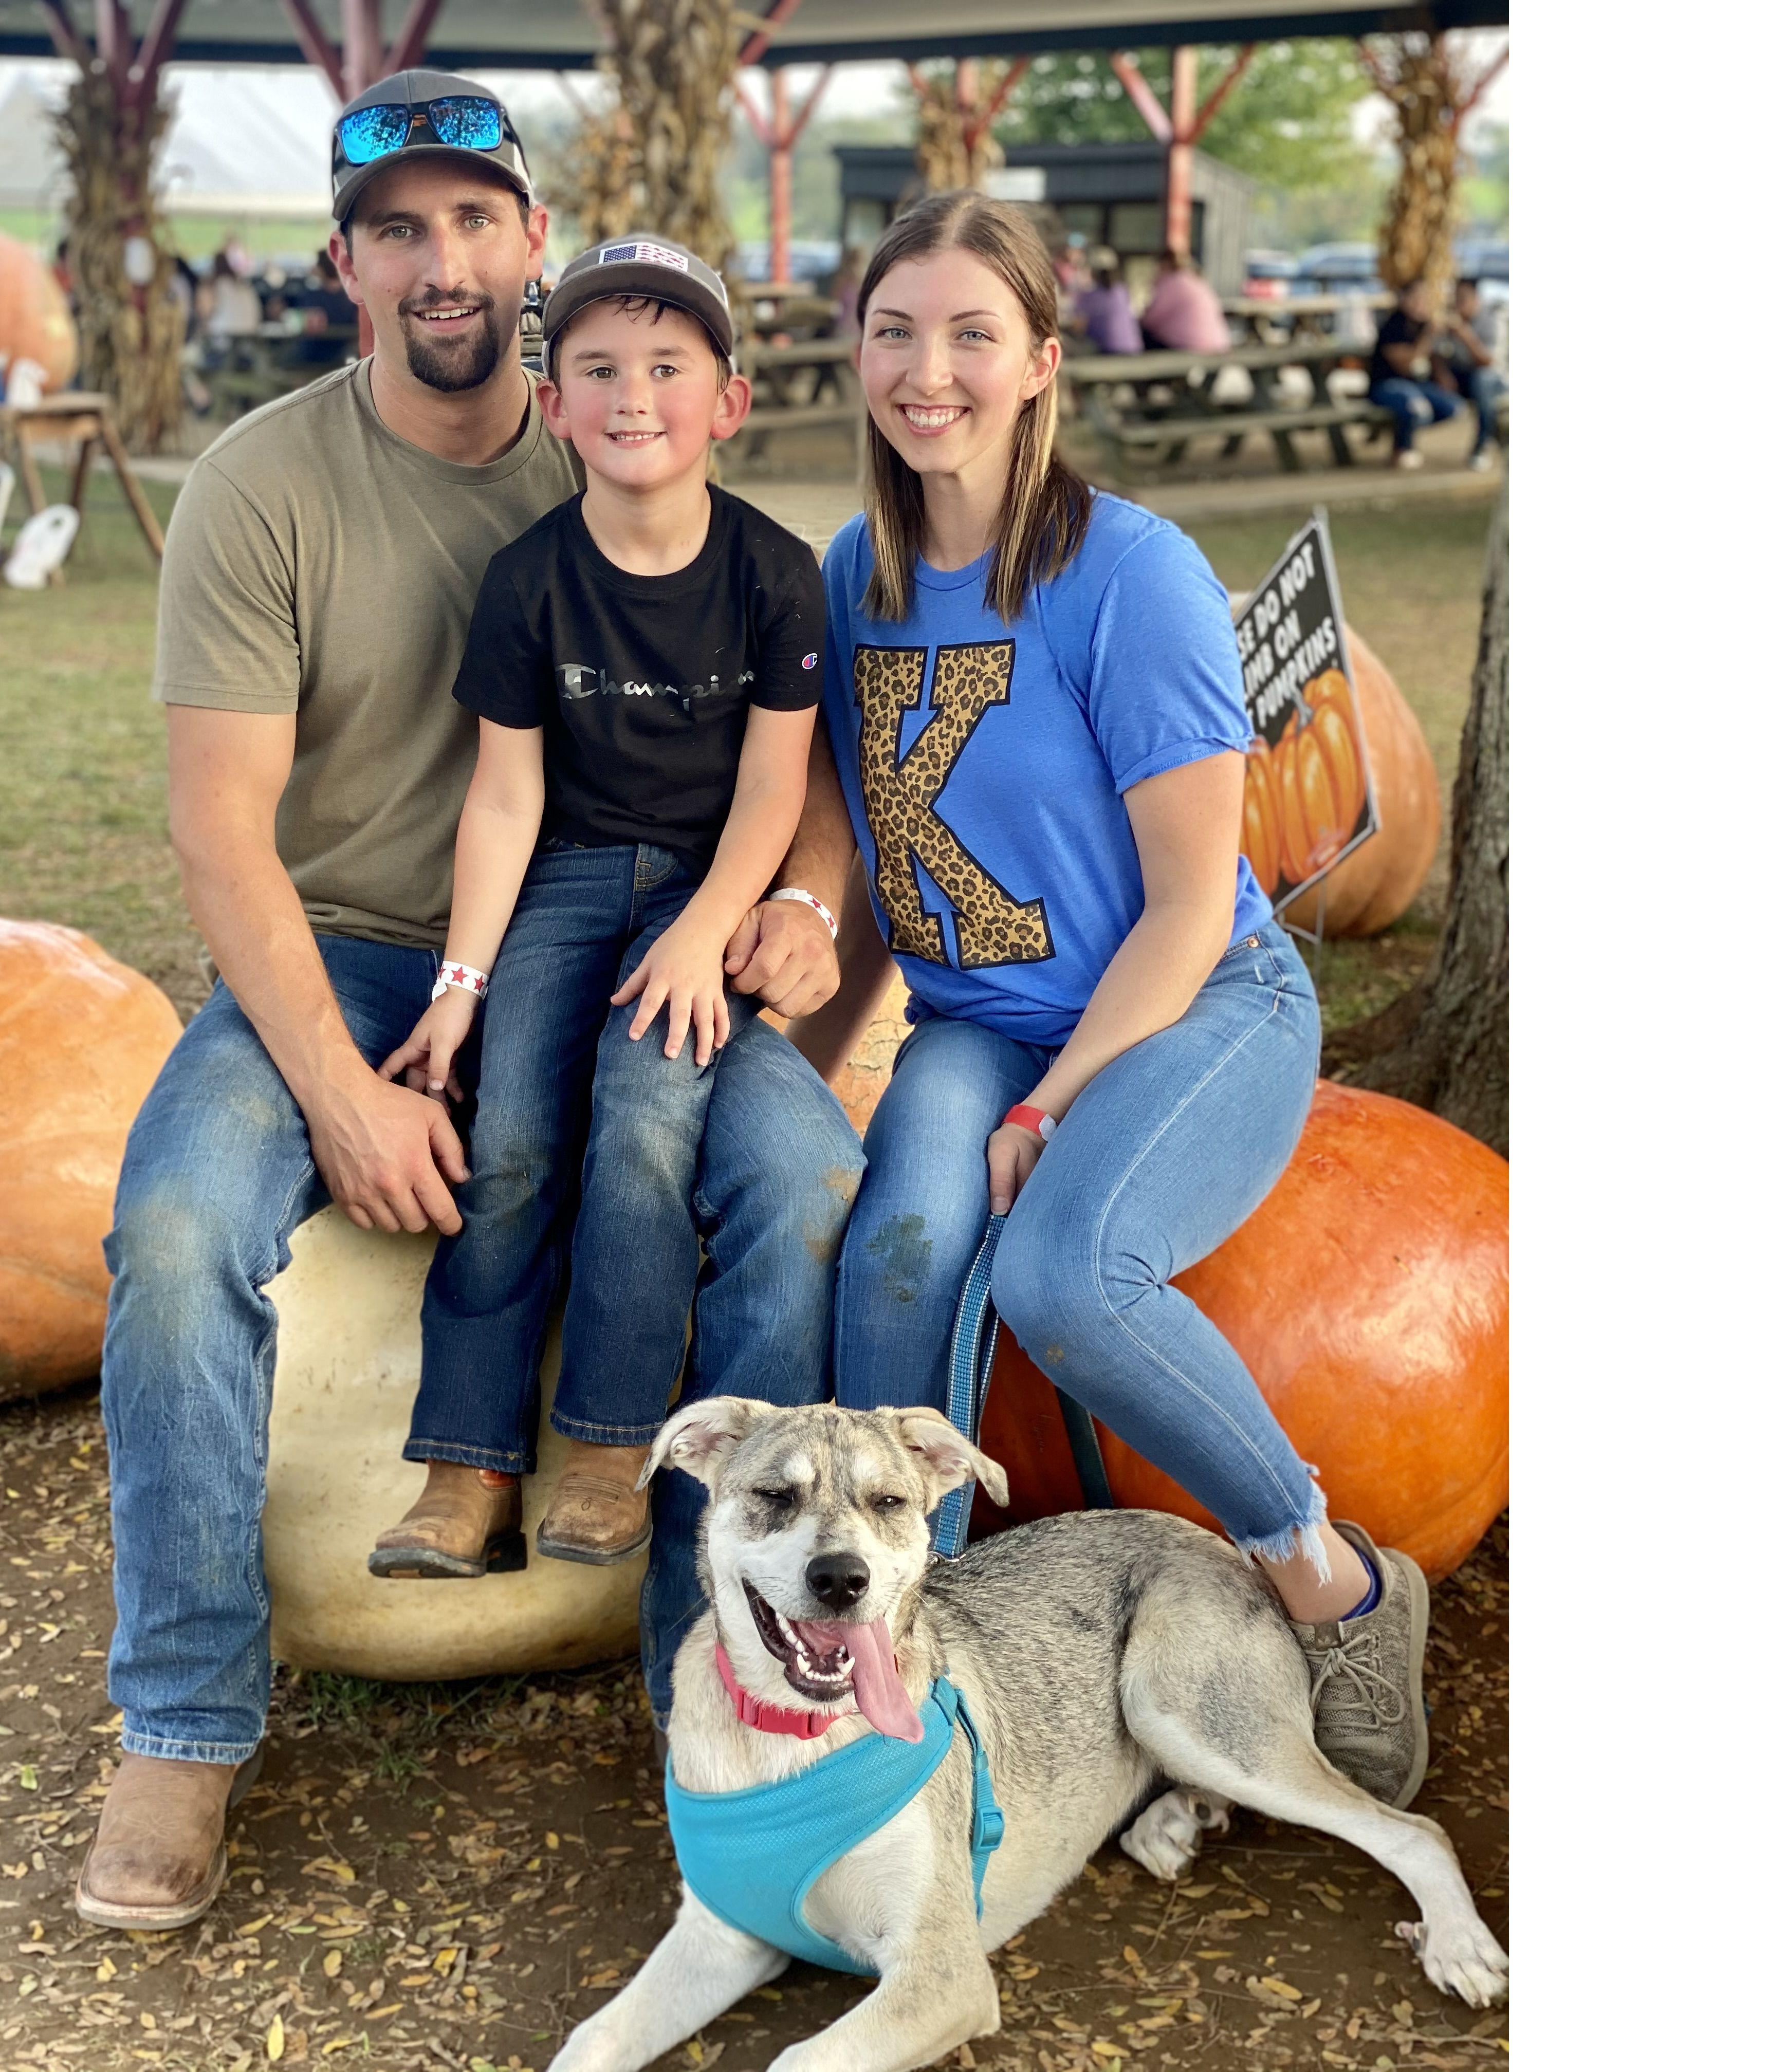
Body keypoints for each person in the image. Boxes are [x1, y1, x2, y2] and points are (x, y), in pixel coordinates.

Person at [76, 69, 863, 1934]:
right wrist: (341, 1088)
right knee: (180, 1223)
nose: (443, 262)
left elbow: (786, 743)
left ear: (532, 241)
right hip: (347, 935)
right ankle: (182, 1714)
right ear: (344, 263)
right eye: (398, 230)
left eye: (474, 220)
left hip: (630, 937)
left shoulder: (622, 429)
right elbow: (216, 834)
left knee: (806, 1186)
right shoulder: (260, 485)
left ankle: (717, 1669)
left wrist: (807, 901)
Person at [817, 190, 1432, 1810]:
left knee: (1067, 1279)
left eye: (970, 334)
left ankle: (1333, 1582)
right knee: (892, 1267)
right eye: (895, 331)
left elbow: (1181, 906)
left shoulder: (1131, 576)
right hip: (974, 1022)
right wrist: (825, 1067)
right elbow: (889, 855)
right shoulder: (849, 583)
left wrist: (1050, 1103)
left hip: (1190, 1003)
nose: (926, 369)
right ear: (857, 350)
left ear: (1037, 362)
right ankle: (907, 1676)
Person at [366, 239, 824, 1575]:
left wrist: (702, 933)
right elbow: (505, 801)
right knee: (508, 1135)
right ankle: (465, 1470)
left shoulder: (773, 575)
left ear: (727, 403)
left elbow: (773, 788)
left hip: (708, 886)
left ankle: (614, 1446)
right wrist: (461, 988)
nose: (636, 395)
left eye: (669, 367)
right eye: (599, 369)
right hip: (568, 876)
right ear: (552, 402)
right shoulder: (527, 581)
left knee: (642, 1115)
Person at [1366, 279, 1461, 471]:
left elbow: (1436, 359)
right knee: (1416, 406)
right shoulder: (1393, 325)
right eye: (1417, 298)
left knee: (1453, 407)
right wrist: (1428, 336)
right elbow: (1406, 366)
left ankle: (1401, 435)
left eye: (1425, 298)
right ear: (1404, 299)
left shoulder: (1424, 324)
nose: (1422, 302)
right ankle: (1403, 448)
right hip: (1387, 386)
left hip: (1417, 386)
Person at [1433, 275, 1506, 473]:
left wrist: (1465, 334)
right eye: (1455, 298)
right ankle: (1403, 445)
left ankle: (1481, 446)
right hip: (1460, 376)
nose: (1458, 304)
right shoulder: (1448, 319)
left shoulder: (1491, 318)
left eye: (1462, 299)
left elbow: (1488, 362)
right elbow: (1437, 354)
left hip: (1492, 379)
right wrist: (1442, 374)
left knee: (1482, 381)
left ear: (1476, 298)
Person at [1138, 246, 1230, 353]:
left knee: (1141, 337)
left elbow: (1150, 320)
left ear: (1164, 265)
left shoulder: (1171, 282)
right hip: (1218, 344)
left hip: (1190, 345)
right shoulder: (1195, 280)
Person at [1070, 247, 1143, 356]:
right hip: (1135, 350)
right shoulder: (1123, 291)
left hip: (1110, 353)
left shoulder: (1090, 296)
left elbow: (1077, 327)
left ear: (1093, 271)